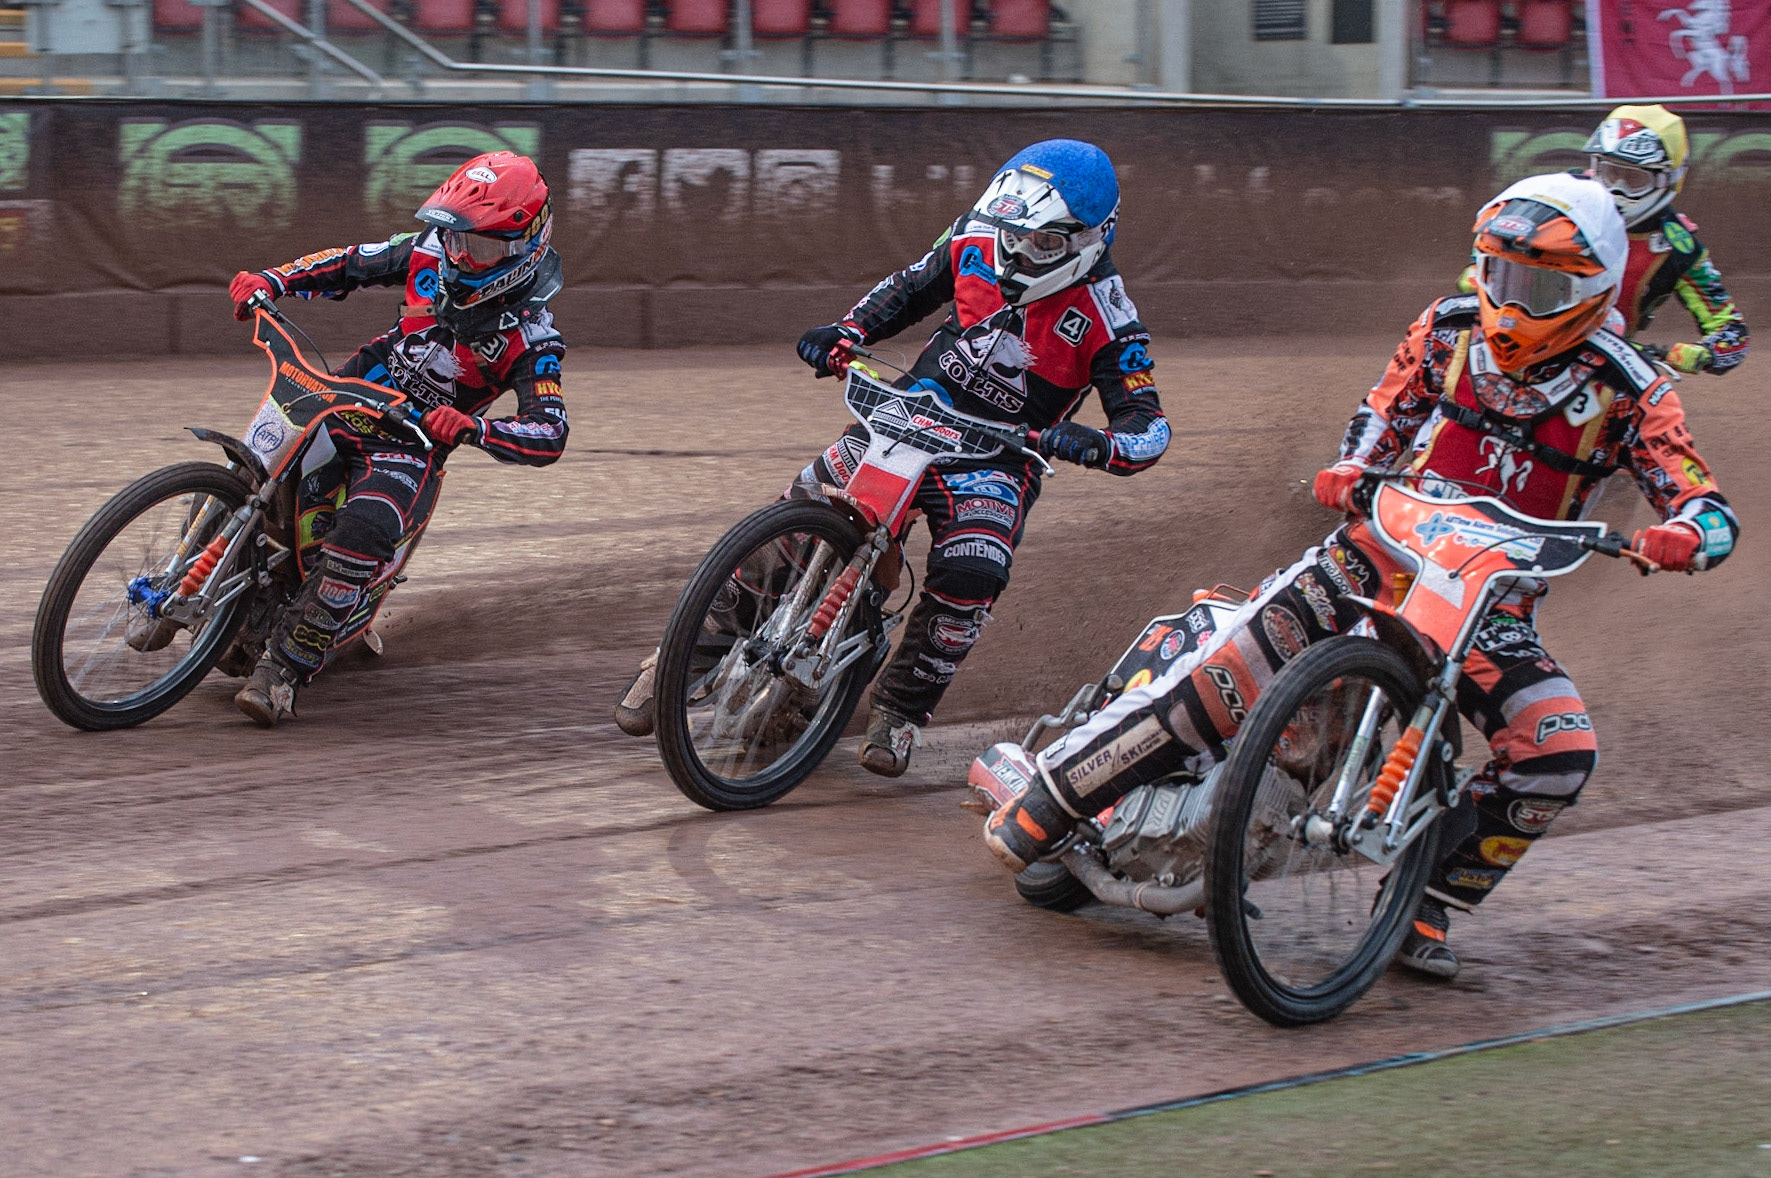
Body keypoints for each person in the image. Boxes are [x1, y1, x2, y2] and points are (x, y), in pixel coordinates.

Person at [983, 172, 1737, 978]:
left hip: (1489, 608)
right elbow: (1381, 410)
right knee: (1223, 679)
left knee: (1558, 750)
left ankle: (1423, 910)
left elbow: (1704, 501)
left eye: (1541, 284)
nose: (1513, 300)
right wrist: (1351, 467)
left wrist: (1684, 533)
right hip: (1369, 557)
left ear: (1590, 289)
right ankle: (1047, 804)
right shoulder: (1448, 327)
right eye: (1503, 275)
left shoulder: (1631, 387)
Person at [614, 138, 1170, 777]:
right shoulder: (975, 237)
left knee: (974, 569)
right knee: (800, 508)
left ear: (1090, 239)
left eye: (1040, 244)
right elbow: (908, 290)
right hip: (910, 412)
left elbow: (1148, 426)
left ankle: (901, 708)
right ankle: (686, 653)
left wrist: (1100, 442)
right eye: (1011, 233)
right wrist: (847, 332)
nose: (1015, 252)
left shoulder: (1112, 316)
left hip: (999, 454)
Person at [225, 150, 568, 726]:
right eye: (456, 239)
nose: (459, 255)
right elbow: (350, 263)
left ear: (524, 246)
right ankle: (196, 575)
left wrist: (476, 426)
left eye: (478, 246)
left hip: (410, 443)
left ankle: (283, 670)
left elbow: (550, 430)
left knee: (366, 529)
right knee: (246, 466)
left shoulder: (534, 339)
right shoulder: (428, 251)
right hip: (347, 392)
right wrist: (273, 279)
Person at [1458, 104, 1748, 377]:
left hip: (1604, 366)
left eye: (1633, 180)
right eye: (1610, 173)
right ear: (1595, 165)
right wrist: (1483, 280)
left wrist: (1702, 354)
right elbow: (1483, 253)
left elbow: (1732, 331)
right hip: (1514, 344)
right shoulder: (1556, 194)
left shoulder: (1679, 246)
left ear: (1668, 179)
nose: (1616, 190)